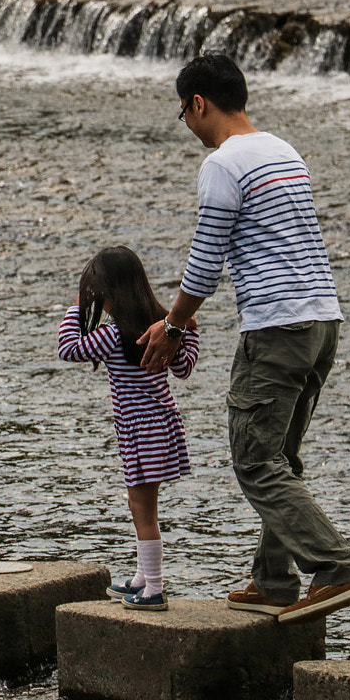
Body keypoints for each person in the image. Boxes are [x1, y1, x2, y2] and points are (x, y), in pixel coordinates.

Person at [139, 53, 350, 624]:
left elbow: (205, 259)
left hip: (276, 327)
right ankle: (273, 582)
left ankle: (337, 568)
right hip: (322, 323)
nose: (188, 127)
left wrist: (172, 325)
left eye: (185, 114)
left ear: (199, 104)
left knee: (253, 460)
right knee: (280, 458)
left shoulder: (224, 163)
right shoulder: (283, 149)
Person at [57, 246, 200, 611]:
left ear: (111, 294)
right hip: (159, 426)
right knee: (143, 506)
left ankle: (154, 588)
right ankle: (142, 576)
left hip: (141, 430)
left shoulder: (113, 334)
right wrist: (188, 332)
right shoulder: (162, 327)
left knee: (142, 508)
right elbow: (184, 369)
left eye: (98, 295)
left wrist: (76, 307)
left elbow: (68, 349)